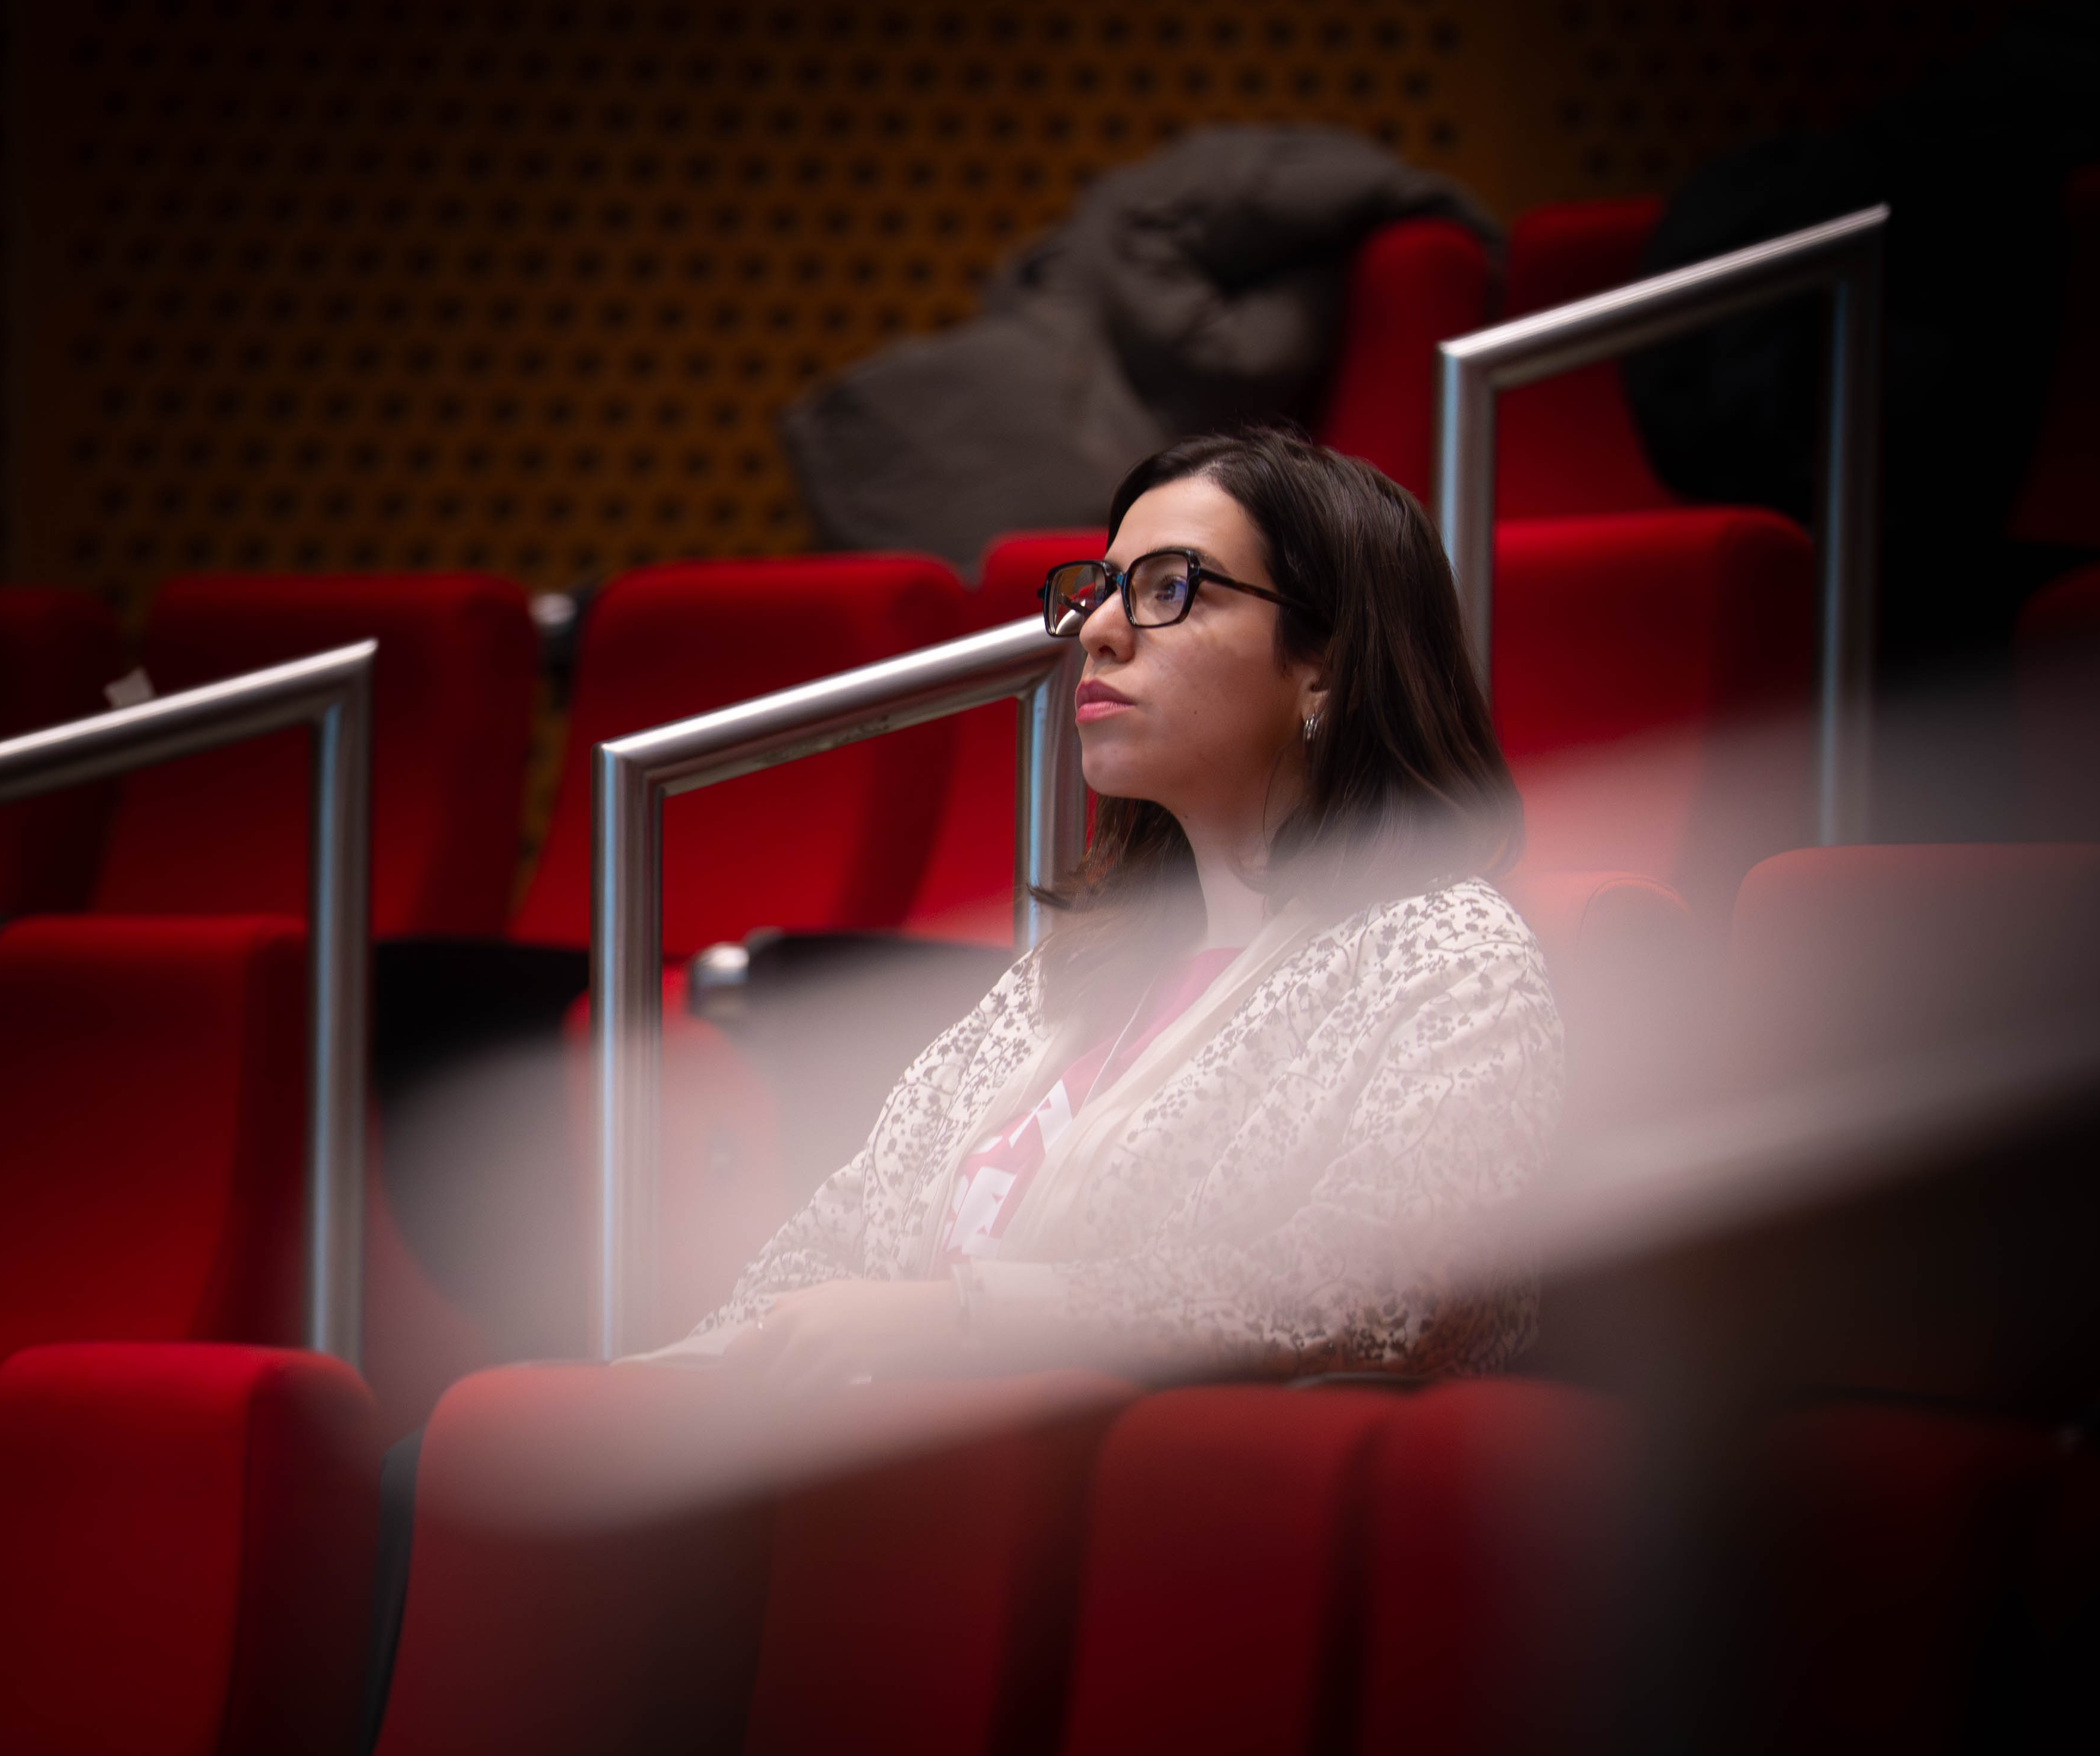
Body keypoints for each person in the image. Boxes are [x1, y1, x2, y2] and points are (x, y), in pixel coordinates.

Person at [647, 426, 1563, 1392]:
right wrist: (665, 1379)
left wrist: (971, 1319)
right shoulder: (1066, 975)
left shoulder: (1447, 956)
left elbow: (1395, 1287)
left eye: (1171, 588)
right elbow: (832, 1241)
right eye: (1103, 588)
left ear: (1324, 663)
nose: (1097, 630)